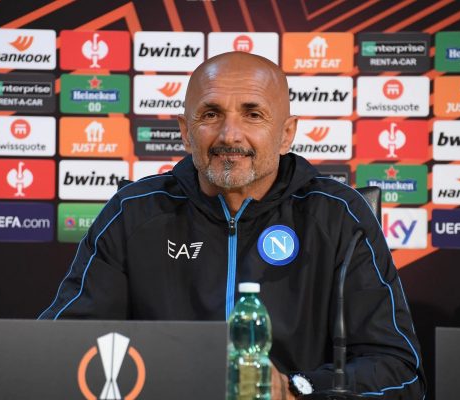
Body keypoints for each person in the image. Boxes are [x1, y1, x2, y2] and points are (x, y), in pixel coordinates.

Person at [39, 52, 425, 399]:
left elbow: (399, 373)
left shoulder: (340, 217)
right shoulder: (133, 214)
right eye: (210, 114)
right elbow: (59, 347)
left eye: (253, 114)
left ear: (286, 133)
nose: (229, 135)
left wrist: (299, 390)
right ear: (186, 132)